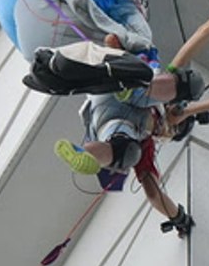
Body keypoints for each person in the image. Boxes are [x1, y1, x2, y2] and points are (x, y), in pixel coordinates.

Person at [54, 85, 195, 237]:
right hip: (117, 93)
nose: (169, 129)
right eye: (174, 126)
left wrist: (179, 218)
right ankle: (127, 85)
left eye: (174, 131)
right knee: (127, 148)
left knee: (126, 152)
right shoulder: (159, 101)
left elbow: (154, 194)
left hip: (107, 117)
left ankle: (82, 153)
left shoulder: (146, 142)